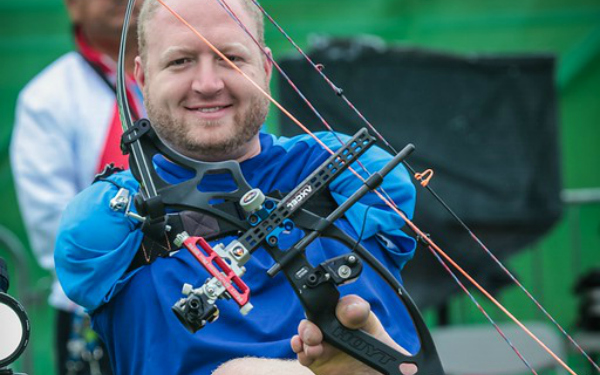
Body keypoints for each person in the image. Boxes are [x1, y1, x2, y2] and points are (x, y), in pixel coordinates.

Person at [55, 0, 419, 374]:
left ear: (264, 66)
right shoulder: (112, 218)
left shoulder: (345, 167)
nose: (208, 84)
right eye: (180, 61)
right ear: (142, 76)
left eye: (230, 57)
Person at [10, 0, 144, 374]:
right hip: (91, 310)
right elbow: (55, 229)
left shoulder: (188, 82)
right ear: (72, 6)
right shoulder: (47, 98)